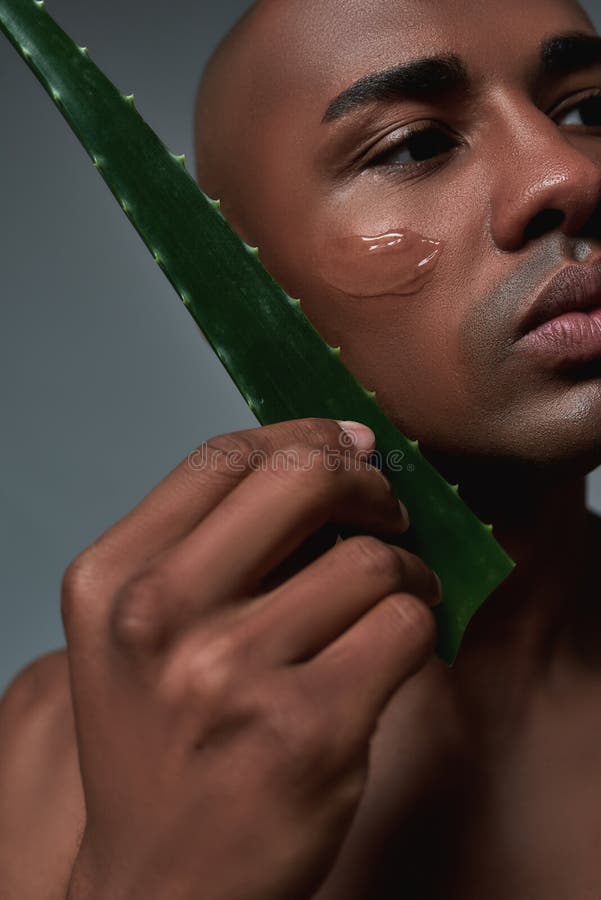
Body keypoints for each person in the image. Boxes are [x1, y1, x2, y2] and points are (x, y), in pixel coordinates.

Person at [2, 0, 601, 895]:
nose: (566, 174)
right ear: (237, 273)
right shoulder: (65, 760)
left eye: (585, 111)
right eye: (415, 145)